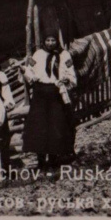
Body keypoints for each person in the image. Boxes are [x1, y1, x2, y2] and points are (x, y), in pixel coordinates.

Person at [22, 35, 77, 169]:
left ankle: (53, 158)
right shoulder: (37, 54)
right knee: (39, 125)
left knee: (55, 125)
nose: (50, 43)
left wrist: (66, 80)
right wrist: (32, 78)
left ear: (57, 41)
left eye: (53, 40)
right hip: (40, 92)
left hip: (56, 93)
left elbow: (71, 73)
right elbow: (27, 69)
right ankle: (41, 160)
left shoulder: (64, 55)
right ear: (43, 41)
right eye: (48, 40)